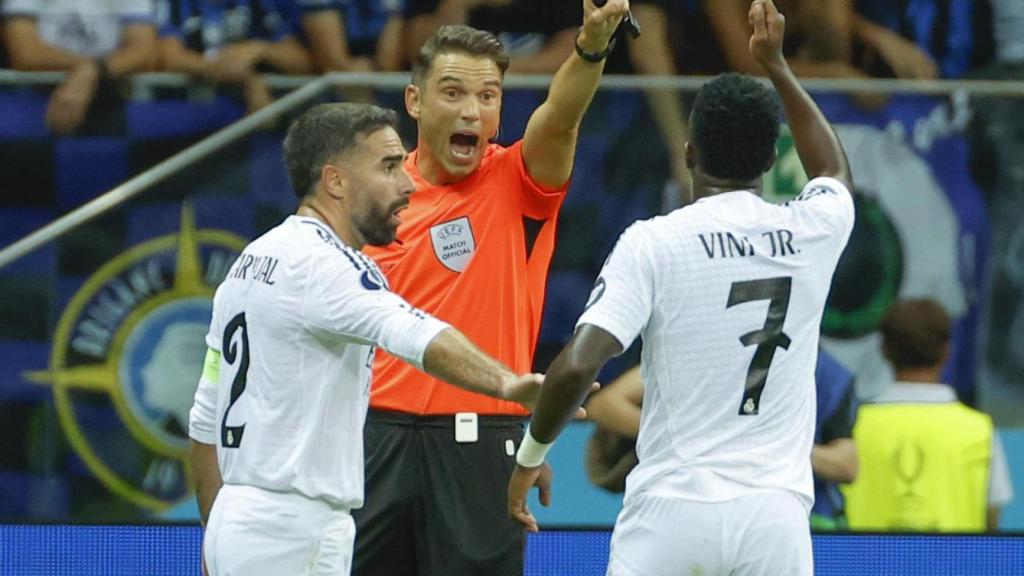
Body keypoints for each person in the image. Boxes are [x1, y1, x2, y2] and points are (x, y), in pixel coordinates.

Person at [508, 1, 855, 574]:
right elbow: (833, 174)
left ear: (691, 154)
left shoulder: (652, 241)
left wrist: (531, 455)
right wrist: (776, 66)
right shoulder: (810, 230)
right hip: (774, 516)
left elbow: (576, 368)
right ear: (771, 158)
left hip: (672, 511)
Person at [187, 102, 563, 576]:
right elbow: (411, 330)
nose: (406, 183)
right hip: (295, 530)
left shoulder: (251, 261)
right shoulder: (328, 268)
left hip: (237, 519)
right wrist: (507, 385)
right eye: (388, 167)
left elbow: (204, 421)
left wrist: (220, 531)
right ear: (335, 181)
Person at [353, 2, 631, 574]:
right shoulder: (369, 197)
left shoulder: (518, 181)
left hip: (480, 444)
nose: (473, 112)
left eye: (488, 97)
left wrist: (592, 45)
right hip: (369, 438)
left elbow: (561, 115)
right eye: (452, 93)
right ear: (414, 101)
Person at [584, 348, 859, 529]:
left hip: (800, 517)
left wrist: (770, 440)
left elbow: (846, 465)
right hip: (696, 507)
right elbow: (605, 405)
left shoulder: (826, 371)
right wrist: (695, 432)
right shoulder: (709, 350)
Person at [843, 298, 1014, 532]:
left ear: (884, 349)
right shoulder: (979, 430)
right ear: (947, 351)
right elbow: (992, 521)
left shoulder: (853, 428)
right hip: (958, 567)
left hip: (863, 566)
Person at [2, 0, 158, 134]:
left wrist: (91, 72)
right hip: (35, 97)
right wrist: (89, 69)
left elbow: (143, 52)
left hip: (117, 96)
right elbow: (27, 54)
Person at [156, 0, 314, 114]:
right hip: (187, 108)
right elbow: (170, 57)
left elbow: (302, 62)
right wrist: (244, 77)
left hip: (254, 115)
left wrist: (260, 49)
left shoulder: (259, 5)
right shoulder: (177, 4)